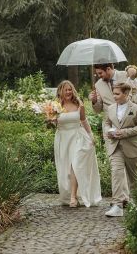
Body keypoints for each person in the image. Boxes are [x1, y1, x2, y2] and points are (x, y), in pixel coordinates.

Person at [49, 80, 103, 208]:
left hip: (78, 137)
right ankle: (71, 195)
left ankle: (73, 197)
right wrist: (49, 120)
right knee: (65, 169)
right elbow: (51, 126)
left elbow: (83, 120)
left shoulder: (78, 103)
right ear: (60, 91)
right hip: (63, 138)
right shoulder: (54, 105)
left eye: (70, 89)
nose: (68, 92)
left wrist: (91, 136)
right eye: (66, 90)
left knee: (76, 164)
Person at [102, 82, 137, 217]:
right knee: (116, 173)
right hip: (115, 146)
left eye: (117, 94)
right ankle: (117, 205)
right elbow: (106, 123)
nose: (114, 96)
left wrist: (124, 132)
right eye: (114, 93)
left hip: (132, 148)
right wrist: (108, 131)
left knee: (134, 178)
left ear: (126, 94)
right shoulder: (110, 108)